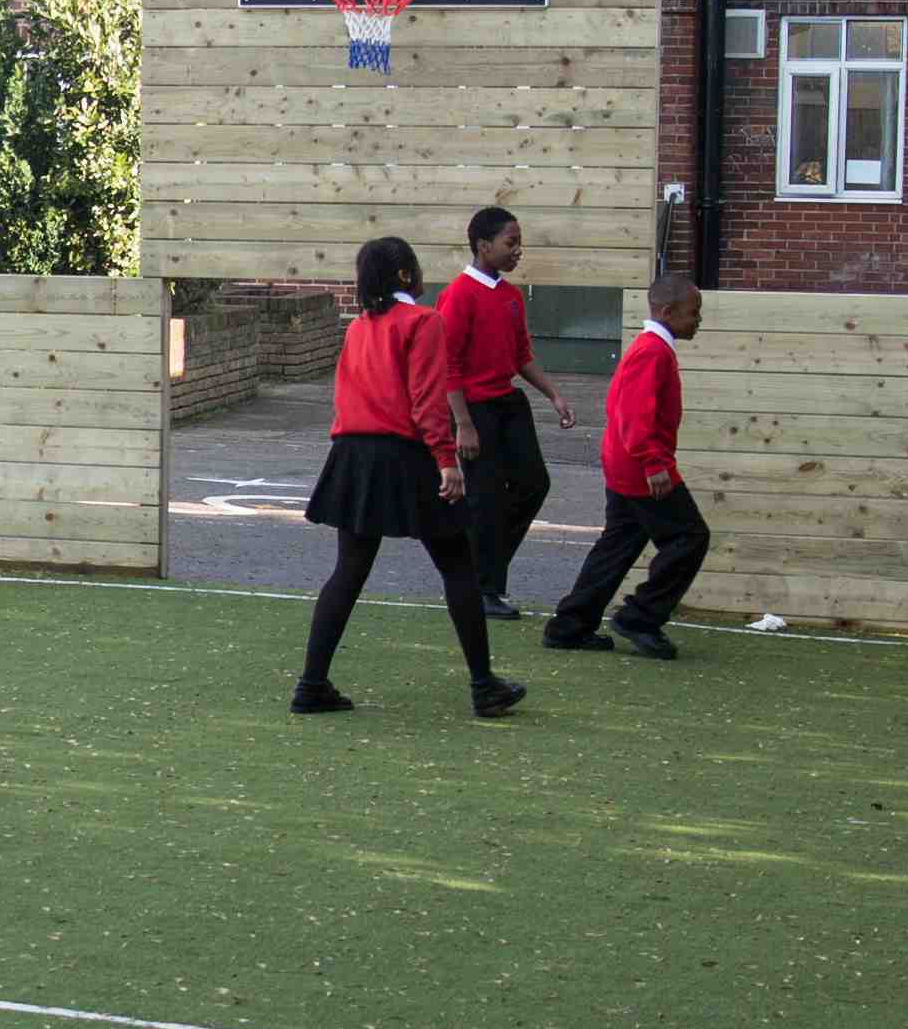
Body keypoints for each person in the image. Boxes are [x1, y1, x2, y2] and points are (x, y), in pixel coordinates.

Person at [293, 236, 524, 719]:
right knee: (458, 566)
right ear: (405, 276)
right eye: (414, 267)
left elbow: (347, 392)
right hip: (406, 454)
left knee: (348, 572)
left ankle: (311, 684)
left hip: (353, 454)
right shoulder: (423, 321)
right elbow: (426, 399)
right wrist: (446, 460)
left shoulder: (359, 327)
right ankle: (484, 686)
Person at [540, 278, 712, 657]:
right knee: (689, 537)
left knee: (617, 546)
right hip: (639, 467)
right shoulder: (652, 352)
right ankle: (640, 617)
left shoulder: (652, 348)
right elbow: (633, 415)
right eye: (693, 313)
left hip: (624, 463)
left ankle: (569, 625)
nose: (698, 320)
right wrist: (654, 463)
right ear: (667, 313)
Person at [435, 204, 564, 611]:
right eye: (511, 243)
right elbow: (447, 365)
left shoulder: (509, 297)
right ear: (483, 245)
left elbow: (521, 355)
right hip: (475, 410)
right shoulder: (457, 295)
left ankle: (479, 571)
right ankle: (483, 588)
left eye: (519, 243)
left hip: (509, 404)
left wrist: (554, 395)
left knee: (533, 485)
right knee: (486, 499)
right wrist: (463, 424)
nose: (518, 251)